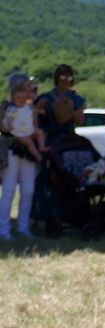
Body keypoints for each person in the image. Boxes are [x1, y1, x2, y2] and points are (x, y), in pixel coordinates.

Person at [1, 74, 40, 240]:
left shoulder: (29, 106)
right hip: (11, 149)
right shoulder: (5, 106)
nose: (29, 88)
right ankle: (4, 229)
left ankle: (24, 227)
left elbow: (34, 127)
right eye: (25, 85)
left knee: (28, 190)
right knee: (9, 190)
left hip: (27, 153)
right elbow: (5, 129)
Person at [35, 64, 85, 143]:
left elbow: (80, 121)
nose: (66, 80)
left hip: (67, 138)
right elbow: (34, 121)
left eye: (69, 77)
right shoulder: (44, 98)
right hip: (46, 138)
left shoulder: (76, 99)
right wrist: (38, 108)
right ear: (57, 78)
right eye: (62, 77)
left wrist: (71, 109)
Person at [3, 77, 47, 162]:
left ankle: (40, 149)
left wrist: (38, 109)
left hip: (26, 132)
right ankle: (38, 155)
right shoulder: (10, 108)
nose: (31, 87)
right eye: (28, 85)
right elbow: (7, 125)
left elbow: (32, 115)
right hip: (16, 140)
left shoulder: (27, 105)